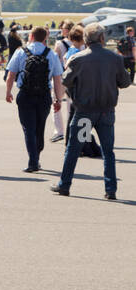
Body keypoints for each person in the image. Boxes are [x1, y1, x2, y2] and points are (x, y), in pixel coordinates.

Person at [52, 24, 132, 199]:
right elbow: (125, 82)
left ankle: (64, 185)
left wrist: (69, 96)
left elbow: (66, 81)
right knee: (108, 151)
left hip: (85, 113)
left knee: (73, 150)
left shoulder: (78, 59)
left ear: (86, 40)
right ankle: (110, 190)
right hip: (106, 112)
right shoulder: (115, 59)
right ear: (102, 38)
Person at [4, 26, 64, 173]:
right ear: (45, 38)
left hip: (25, 95)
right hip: (44, 96)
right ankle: (36, 156)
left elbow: (11, 74)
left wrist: (8, 92)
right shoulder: (51, 54)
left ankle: (33, 161)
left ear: (31, 36)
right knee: (39, 127)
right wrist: (58, 99)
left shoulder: (20, 52)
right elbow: (57, 79)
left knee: (28, 129)